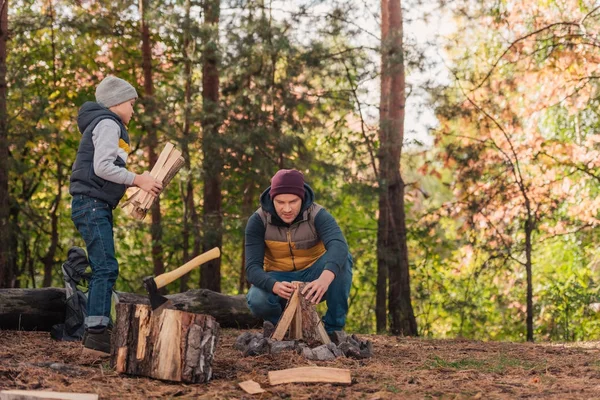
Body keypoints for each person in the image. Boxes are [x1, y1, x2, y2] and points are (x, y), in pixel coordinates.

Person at [69, 75, 163, 353]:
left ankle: (98, 327)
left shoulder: (105, 124)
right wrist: (139, 180)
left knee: (105, 266)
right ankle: (97, 333)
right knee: (106, 267)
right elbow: (103, 167)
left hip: (94, 204)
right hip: (91, 203)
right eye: (132, 103)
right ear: (117, 102)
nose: (134, 110)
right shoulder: (109, 123)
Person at [245, 169, 353, 334]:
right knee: (257, 298)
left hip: (314, 277)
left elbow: (339, 245)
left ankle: (334, 330)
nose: (287, 209)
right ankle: (283, 327)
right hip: (279, 279)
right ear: (272, 199)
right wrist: (273, 285)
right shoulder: (258, 221)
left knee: (344, 259)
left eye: (293, 202)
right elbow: (252, 268)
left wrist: (324, 279)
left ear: (302, 198)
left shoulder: (318, 214)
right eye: (280, 202)